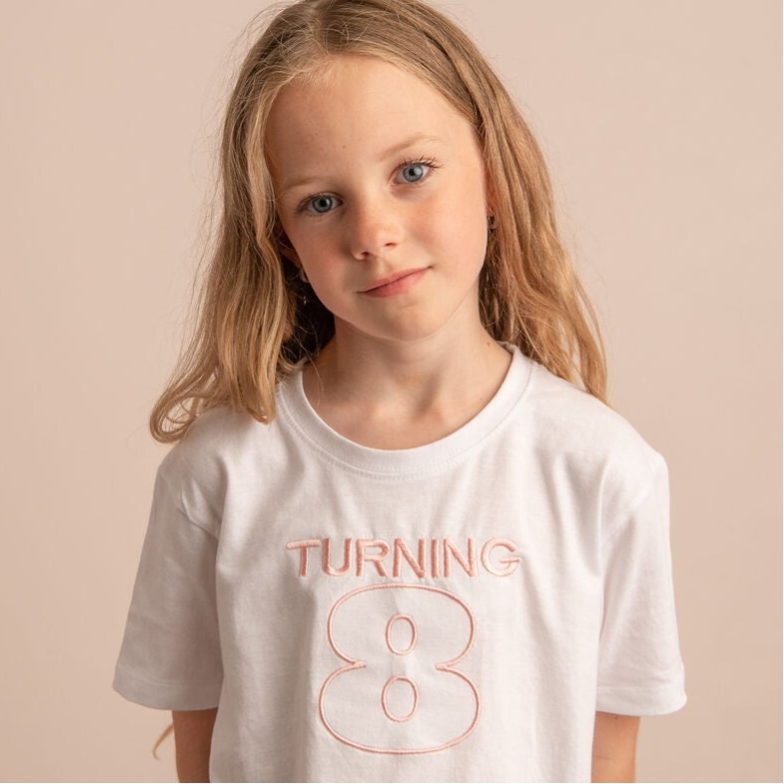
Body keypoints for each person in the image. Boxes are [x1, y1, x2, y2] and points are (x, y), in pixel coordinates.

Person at [111, 0, 688, 781]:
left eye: (411, 173)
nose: (372, 233)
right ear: (283, 239)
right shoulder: (219, 472)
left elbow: (608, 755)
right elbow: (199, 748)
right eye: (322, 202)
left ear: (493, 173)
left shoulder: (602, 469)